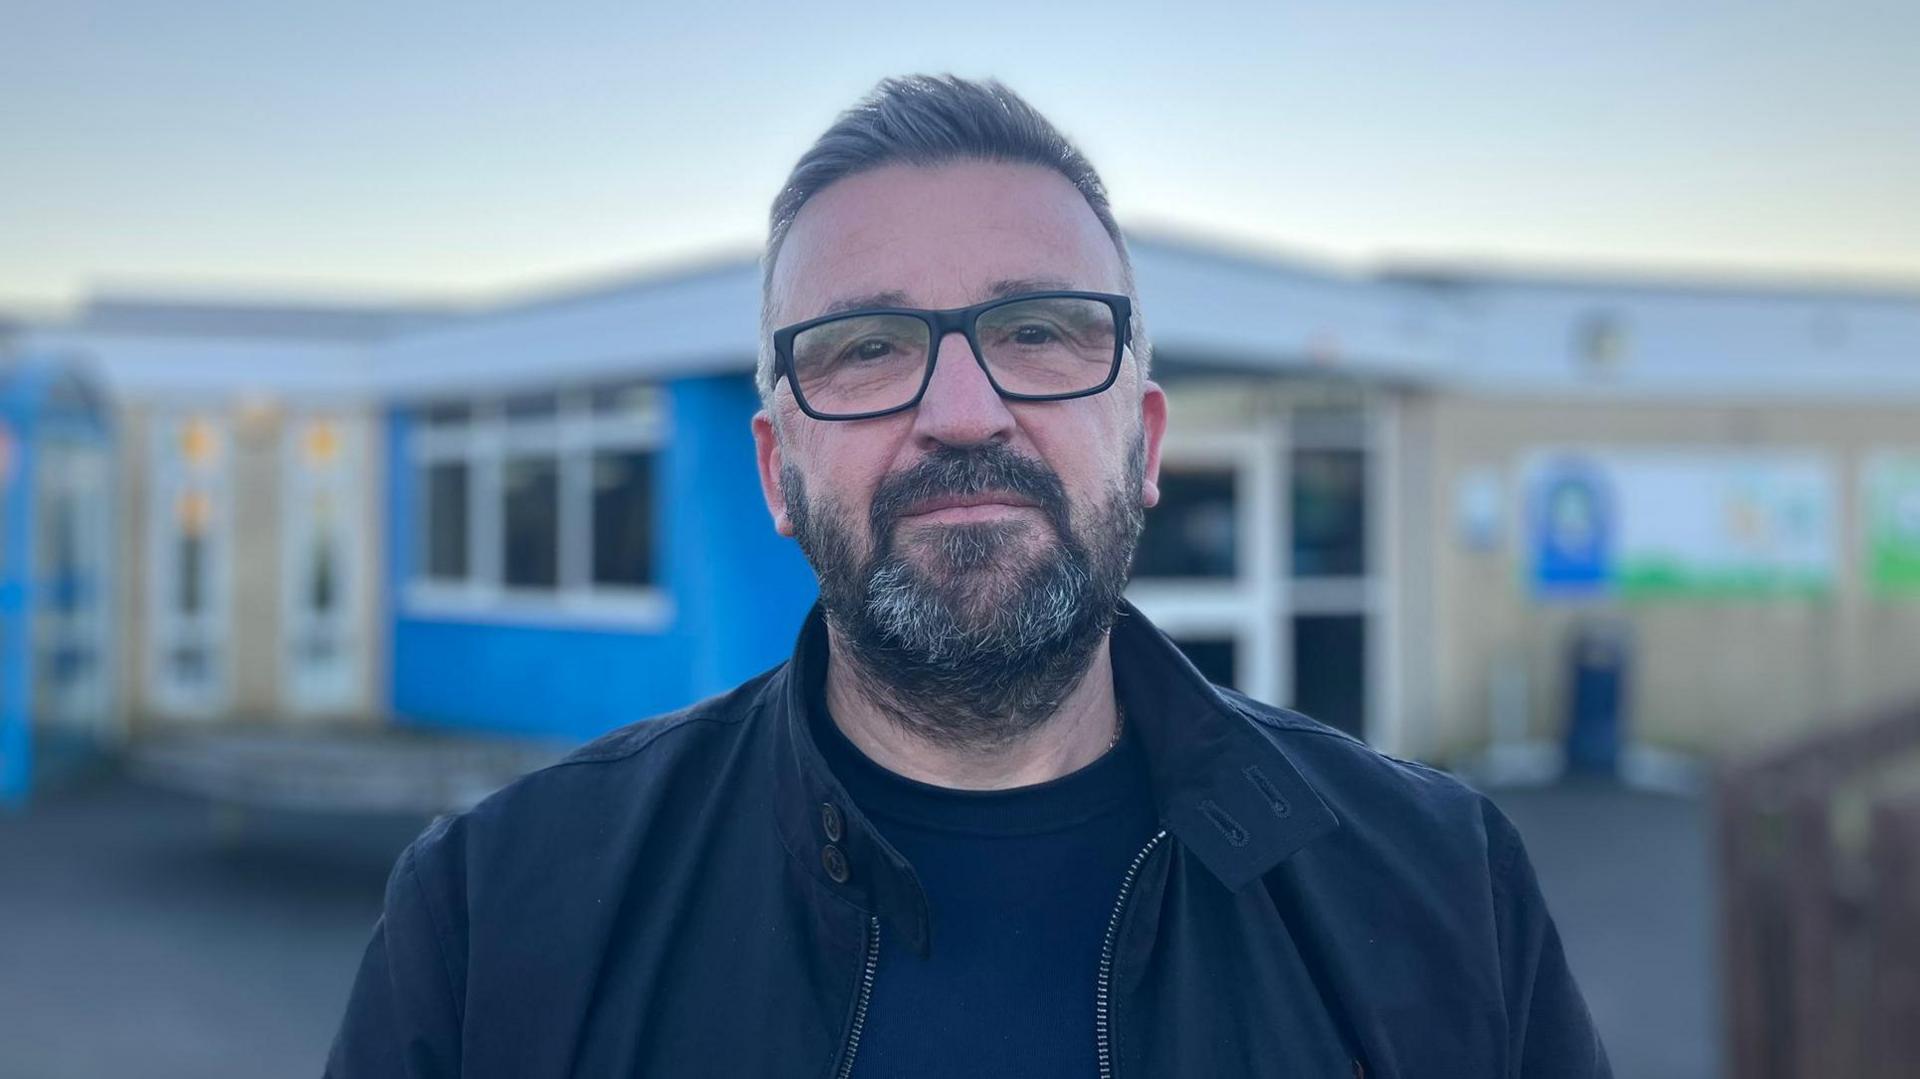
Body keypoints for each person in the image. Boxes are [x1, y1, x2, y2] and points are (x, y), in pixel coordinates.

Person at [327, 74, 1610, 1078]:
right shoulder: (500, 913)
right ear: (776, 472)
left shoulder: (1437, 889)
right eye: (869, 346)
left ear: (1147, 443)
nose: (962, 409)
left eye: (1037, 330)